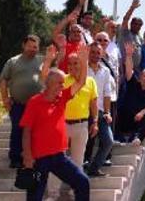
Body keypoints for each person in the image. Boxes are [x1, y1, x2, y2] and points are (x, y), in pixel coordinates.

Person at [20, 46, 90, 201]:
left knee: (82, 182)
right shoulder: (35, 102)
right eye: (59, 83)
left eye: (63, 83)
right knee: (34, 196)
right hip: (39, 159)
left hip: (59, 157)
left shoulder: (62, 98)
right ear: (49, 84)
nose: (62, 85)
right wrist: (27, 156)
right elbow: (26, 131)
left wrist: (84, 62)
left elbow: (81, 82)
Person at [0, 35, 45, 169]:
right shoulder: (13, 62)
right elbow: (3, 81)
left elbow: (57, 62)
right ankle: (15, 158)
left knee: (36, 132)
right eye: (30, 46)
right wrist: (5, 99)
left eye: (35, 47)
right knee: (17, 131)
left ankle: (35, 157)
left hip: (37, 106)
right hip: (18, 104)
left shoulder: (42, 61)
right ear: (23, 46)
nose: (33, 49)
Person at [58, 44, 99, 172]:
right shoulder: (62, 80)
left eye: (76, 63)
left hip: (81, 125)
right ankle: (53, 192)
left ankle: (74, 191)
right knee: (58, 160)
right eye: (70, 64)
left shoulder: (91, 81)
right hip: (62, 125)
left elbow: (94, 103)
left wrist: (96, 122)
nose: (72, 66)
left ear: (82, 64)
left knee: (78, 161)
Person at [118, 43, 145, 145]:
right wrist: (129, 55)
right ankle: (118, 137)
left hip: (138, 120)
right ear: (140, 77)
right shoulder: (134, 83)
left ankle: (137, 138)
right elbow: (128, 71)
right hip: (125, 118)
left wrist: (143, 112)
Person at [85, 42, 114, 177]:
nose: (95, 55)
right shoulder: (82, 68)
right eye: (93, 52)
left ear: (102, 54)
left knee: (108, 141)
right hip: (84, 111)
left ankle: (94, 168)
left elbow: (107, 93)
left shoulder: (106, 71)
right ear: (88, 52)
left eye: (98, 52)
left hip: (100, 111)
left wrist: (108, 112)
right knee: (85, 141)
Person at [120, 0, 144, 74]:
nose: (137, 26)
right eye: (135, 24)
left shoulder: (139, 38)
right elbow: (125, 19)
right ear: (131, 24)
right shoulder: (126, 33)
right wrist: (132, 8)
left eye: (139, 25)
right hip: (125, 68)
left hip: (136, 70)